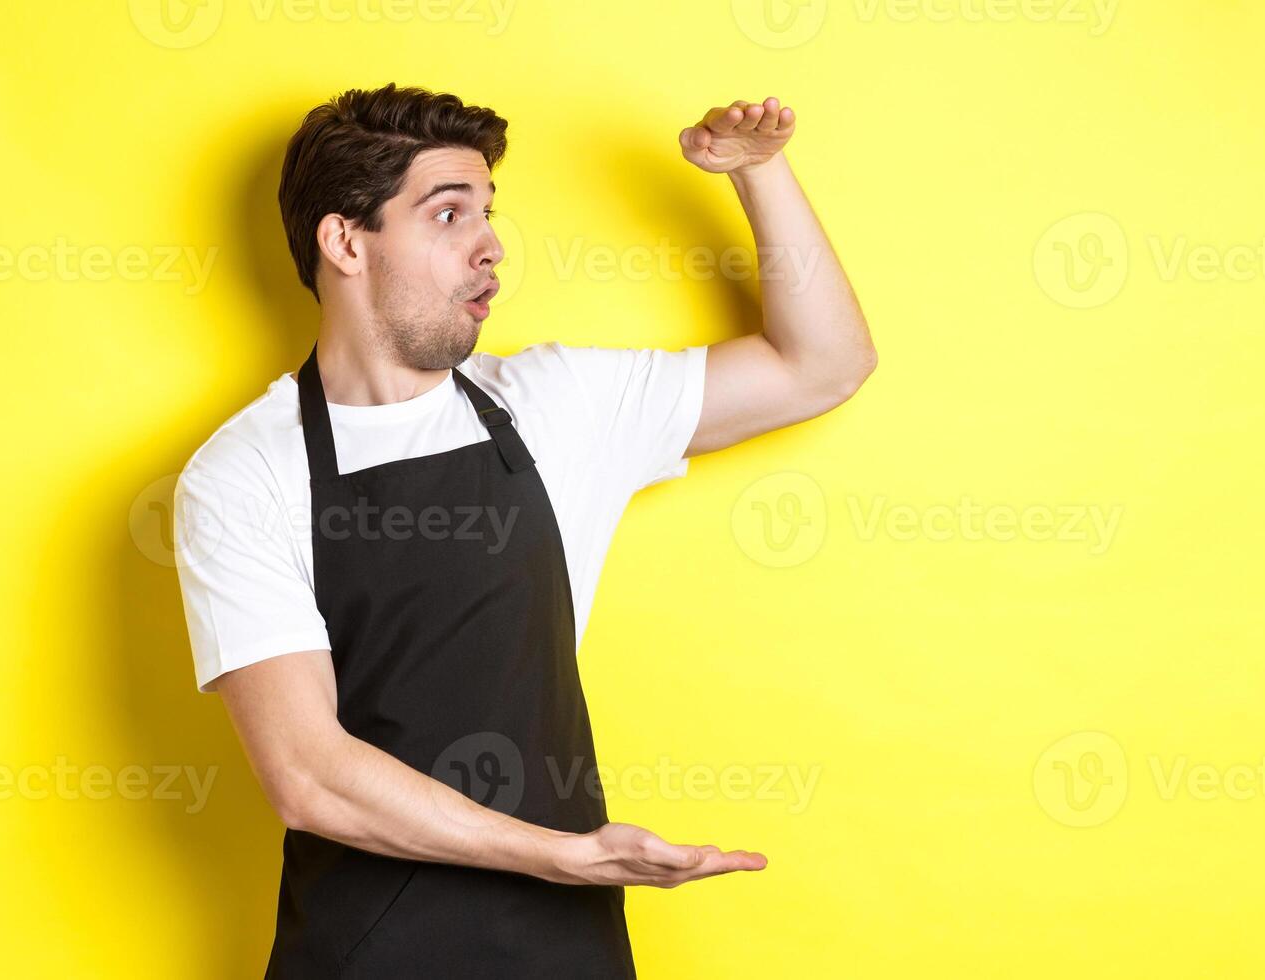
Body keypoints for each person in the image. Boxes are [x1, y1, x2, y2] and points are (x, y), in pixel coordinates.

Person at [172, 83, 875, 979]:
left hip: (563, 948)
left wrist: (759, 173)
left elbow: (824, 364)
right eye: (448, 214)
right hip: (366, 953)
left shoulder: (554, 406)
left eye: (488, 213)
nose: (490, 247)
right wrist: (558, 855)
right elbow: (308, 775)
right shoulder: (245, 473)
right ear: (346, 241)